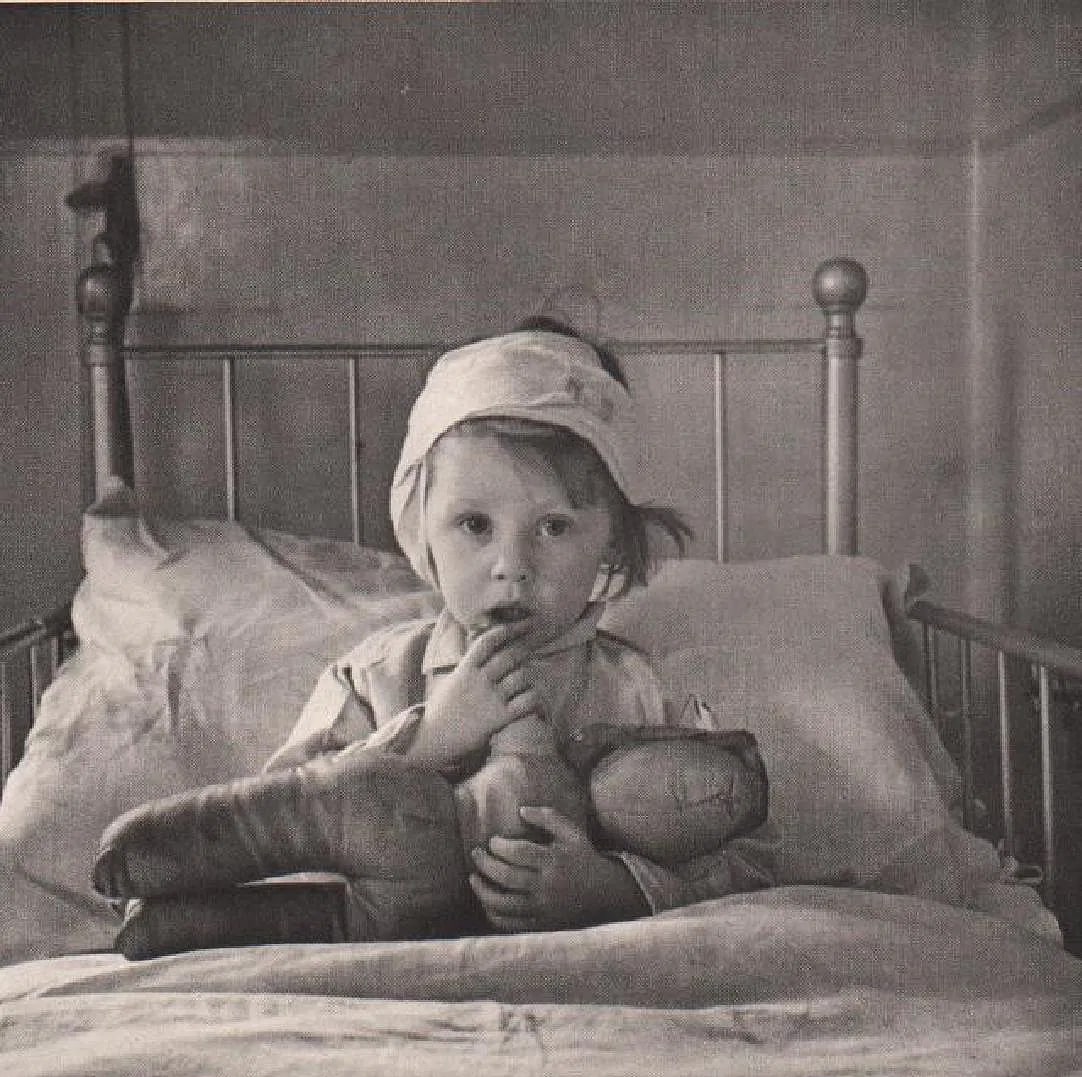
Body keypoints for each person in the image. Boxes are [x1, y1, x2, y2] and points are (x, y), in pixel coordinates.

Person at [93, 325, 772, 958]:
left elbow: (748, 852)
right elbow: (283, 822)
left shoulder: (638, 692)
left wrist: (616, 889)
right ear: (422, 533)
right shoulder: (377, 677)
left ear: (612, 543)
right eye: (475, 525)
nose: (512, 564)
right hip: (386, 958)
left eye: (555, 527)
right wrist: (430, 740)